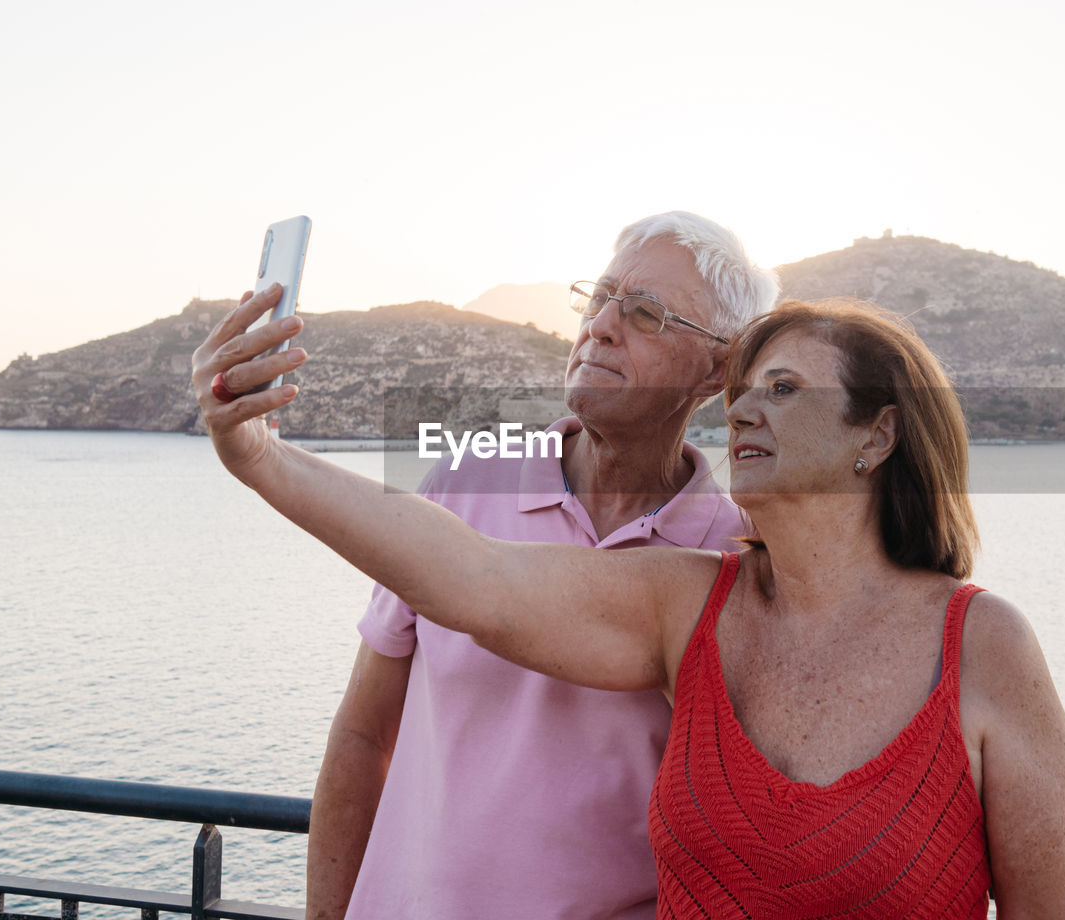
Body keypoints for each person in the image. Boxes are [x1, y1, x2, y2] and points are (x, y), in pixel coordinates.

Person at [195, 288, 1065, 916]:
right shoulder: (691, 603)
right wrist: (261, 458)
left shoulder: (983, 646)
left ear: (880, 433)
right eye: (742, 393)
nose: (744, 411)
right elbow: (472, 579)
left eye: (784, 391)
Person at [223, 213, 774, 920]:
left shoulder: (735, 559)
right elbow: (363, 737)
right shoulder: (462, 484)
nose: (602, 325)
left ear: (718, 368)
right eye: (601, 296)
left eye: (646, 314)